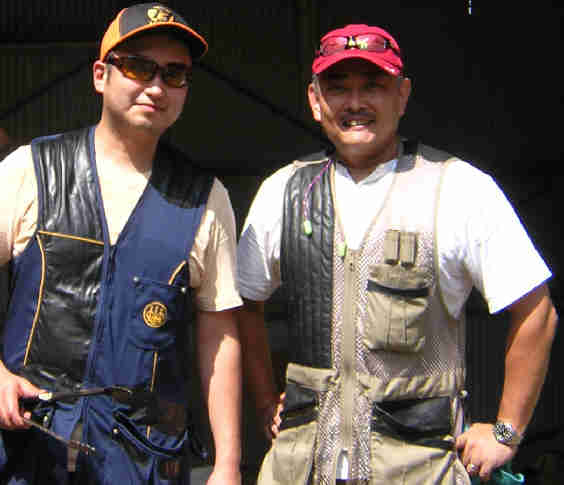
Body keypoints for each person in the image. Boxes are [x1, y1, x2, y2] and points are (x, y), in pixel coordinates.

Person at [237, 23, 558, 485]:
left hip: (418, 470)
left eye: (374, 86)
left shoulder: (458, 187)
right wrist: (267, 403)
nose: (355, 103)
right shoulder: (283, 192)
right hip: (300, 469)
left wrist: (506, 432)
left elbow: (537, 313)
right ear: (314, 99)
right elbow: (244, 303)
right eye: (337, 88)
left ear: (402, 96)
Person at [0, 4, 242, 484]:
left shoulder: (205, 198)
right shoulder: (32, 170)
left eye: (175, 75)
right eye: (137, 67)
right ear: (100, 75)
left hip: (140, 460)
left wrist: (229, 464)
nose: (156, 87)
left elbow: (219, 331)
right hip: (30, 448)